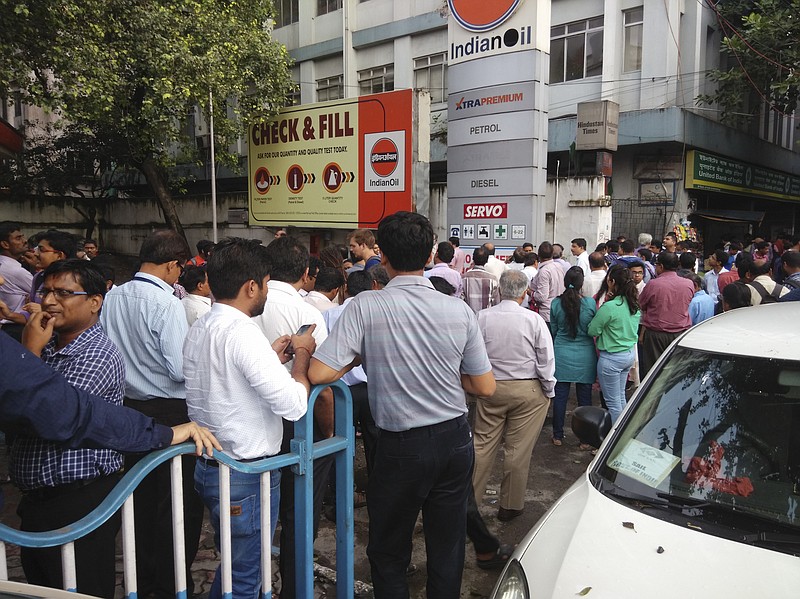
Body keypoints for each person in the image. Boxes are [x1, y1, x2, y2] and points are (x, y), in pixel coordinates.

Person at [309, 211, 495, 599]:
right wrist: (442, 369)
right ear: (429, 255)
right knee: (447, 545)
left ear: (383, 257)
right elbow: (484, 386)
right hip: (454, 440)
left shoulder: (366, 307)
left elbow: (320, 374)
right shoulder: (458, 310)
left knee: (389, 548)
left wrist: (352, 356)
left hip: (402, 446)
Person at [184, 238, 312, 599]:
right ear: (251, 286)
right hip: (245, 474)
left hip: (211, 468)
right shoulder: (243, 333)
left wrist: (271, 358)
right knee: (245, 577)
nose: (268, 291)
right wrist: (300, 357)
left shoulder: (202, 326)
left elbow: (227, 382)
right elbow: (294, 405)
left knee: (236, 566)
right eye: (267, 284)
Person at [99, 230, 203, 599]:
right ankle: (173, 583)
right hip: (170, 412)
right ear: (173, 264)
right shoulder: (165, 304)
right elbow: (178, 368)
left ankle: (142, 582)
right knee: (177, 503)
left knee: (139, 502)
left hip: (127, 407)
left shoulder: (113, 296)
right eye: (181, 268)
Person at [13, 260, 124, 598]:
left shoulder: (97, 355)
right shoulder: (47, 345)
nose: (48, 301)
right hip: (39, 501)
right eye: (46, 291)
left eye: (63, 293)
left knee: (80, 588)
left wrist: (27, 352)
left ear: (94, 302)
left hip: (78, 500)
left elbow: (47, 418)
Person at [250, 235, 332, 599]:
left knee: (260, 507)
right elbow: (323, 378)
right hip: (299, 416)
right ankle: (296, 587)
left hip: (255, 417)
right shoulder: (308, 313)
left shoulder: (245, 304)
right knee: (300, 508)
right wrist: (329, 430)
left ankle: (256, 581)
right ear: (305, 271)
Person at [472, 270, 555, 521]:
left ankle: (470, 503)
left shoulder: (482, 317)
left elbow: (471, 355)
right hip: (527, 390)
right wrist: (548, 390)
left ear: (499, 290)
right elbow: (545, 359)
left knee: (482, 446)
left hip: (490, 388)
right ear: (524, 292)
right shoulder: (534, 320)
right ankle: (510, 505)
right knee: (517, 450)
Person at [549, 267, 597, 448]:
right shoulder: (590, 304)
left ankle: (557, 435)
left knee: (560, 396)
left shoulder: (555, 304)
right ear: (581, 283)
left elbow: (553, 330)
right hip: (586, 354)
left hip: (561, 352)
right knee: (585, 398)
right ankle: (585, 439)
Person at [587, 266, 641, 423]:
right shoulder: (633, 304)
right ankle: (623, 430)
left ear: (612, 282)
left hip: (611, 358)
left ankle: (615, 439)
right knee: (620, 398)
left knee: (613, 403)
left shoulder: (610, 307)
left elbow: (593, 330)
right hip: (628, 354)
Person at [637, 252, 695, 377]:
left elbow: (641, 304)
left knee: (653, 372)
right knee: (675, 372)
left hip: (656, 335)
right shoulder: (688, 283)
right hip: (680, 333)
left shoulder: (653, 284)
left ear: (661, 266)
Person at [0, 222, 34, 340]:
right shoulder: (15, 271)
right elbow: (41, 292)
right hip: (17, 327)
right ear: (5, 244)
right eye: (18, 238)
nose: (25, 241)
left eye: (23, 236)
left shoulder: (4, 265)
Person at [529, 241, 565, 323]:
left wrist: (529, 292)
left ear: (538, 255)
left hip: (547, 314)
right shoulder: (559, 266)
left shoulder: (544, 271)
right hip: (559, 310)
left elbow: (542, 297)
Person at [462, 246, 500, 313]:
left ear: (473, 259)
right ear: (487, 260)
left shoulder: (464, 277)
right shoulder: (493, 279)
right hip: (487, 317)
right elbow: (496, 303)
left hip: (469, 316)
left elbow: (461, 299)